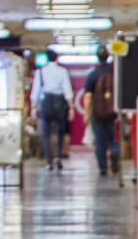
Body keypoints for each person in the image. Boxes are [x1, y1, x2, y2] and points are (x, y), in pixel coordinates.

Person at [30, 52, 73, 170]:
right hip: (59, 103)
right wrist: (71, 108)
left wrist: (33, 108)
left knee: (45, 134)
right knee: (60, 132)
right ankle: (58, 156)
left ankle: (49, 161)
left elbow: (35, 92)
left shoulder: (40, 72)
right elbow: (67, 90)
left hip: (46, 103)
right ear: (57, 59)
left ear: (47, 59)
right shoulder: (63, 71)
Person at [81, 46, 119, 176]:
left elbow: (88, 96)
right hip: (113, 112)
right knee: (113, 138)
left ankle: (103, 167)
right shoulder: (115, 72)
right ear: (108, 56)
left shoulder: (93, 74)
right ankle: (115, 153)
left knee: (100, 140)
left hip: (97, 113)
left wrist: (87, 114)